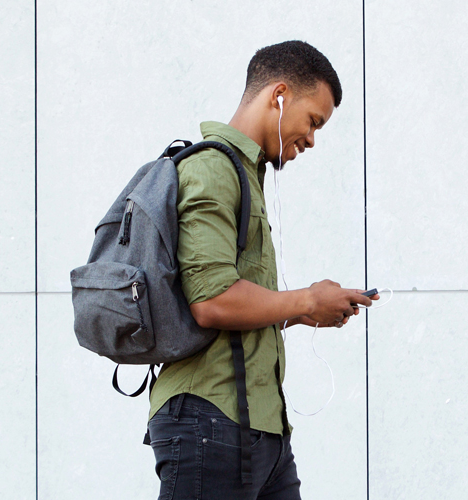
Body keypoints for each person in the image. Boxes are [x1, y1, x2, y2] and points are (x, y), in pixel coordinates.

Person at [146, 40, 375, 500]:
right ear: (279, 95)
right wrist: (307, 298)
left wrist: (300, 313)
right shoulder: (213, 169)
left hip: (261, 428)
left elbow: (232, 308)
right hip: (210, 420)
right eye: (313, 121)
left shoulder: (246, 175)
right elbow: (211, 301)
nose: (312, 140)